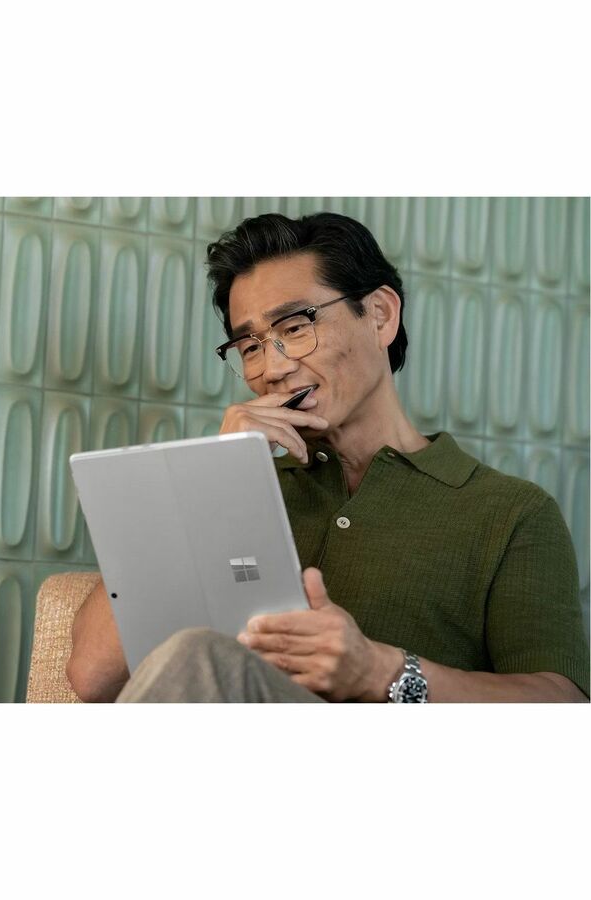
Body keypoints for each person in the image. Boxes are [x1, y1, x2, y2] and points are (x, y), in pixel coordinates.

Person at [66, 212, 590, 703]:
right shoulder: (232, 486)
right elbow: (91, 675)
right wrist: (213, 474)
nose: (272, 369)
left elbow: (562, 704)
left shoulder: (511, 511)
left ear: (380, 315)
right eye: (250, 347)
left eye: (295, 327)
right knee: (196, 655)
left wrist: (381, 671)